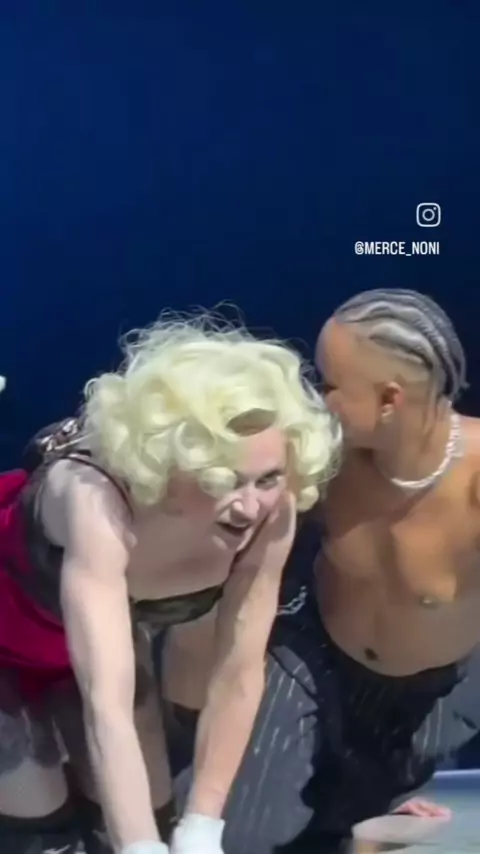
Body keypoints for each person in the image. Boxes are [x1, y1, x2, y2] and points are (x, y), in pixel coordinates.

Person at [0, 312, 340, 854]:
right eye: (224, 479)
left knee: (153, 816)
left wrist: (203, 827)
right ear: (175, 462)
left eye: (269, 478)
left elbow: (239, 671)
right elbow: (105, 703)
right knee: (42, 825)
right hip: (9, 646)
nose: (250, 505)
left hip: (90, 647)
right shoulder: (95, 499)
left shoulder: (272, 510)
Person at [180, 288, 480, 854]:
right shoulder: (326, 457)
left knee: (340, 824)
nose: (317, 399)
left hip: (431, 690)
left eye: (330, 384)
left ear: (389, 399)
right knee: (245, 837)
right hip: (312, 655)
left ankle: (375, 815)